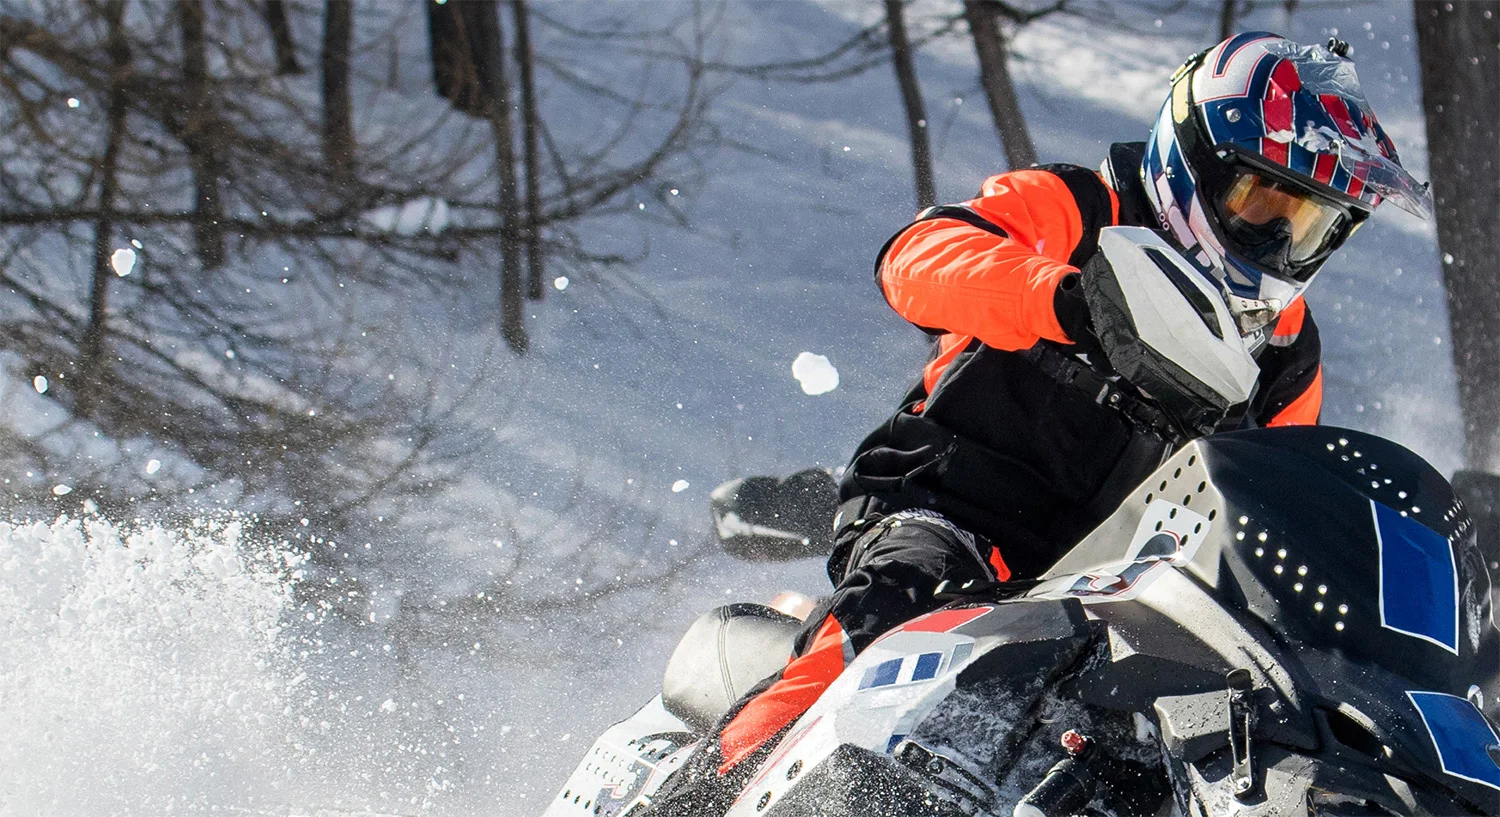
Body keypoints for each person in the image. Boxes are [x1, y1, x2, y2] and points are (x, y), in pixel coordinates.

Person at [650, 32, 1432, 815]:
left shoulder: (1288, 353)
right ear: (1195, 158)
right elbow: (916, 259)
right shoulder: (1081, 206)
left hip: (1124, 600)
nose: (1279, 239)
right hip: (950, 512)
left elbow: (1278, 505)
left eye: (1311, 223)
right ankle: (689, 803)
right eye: (1261, 203)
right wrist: (1066, 300)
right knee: (882, 625)